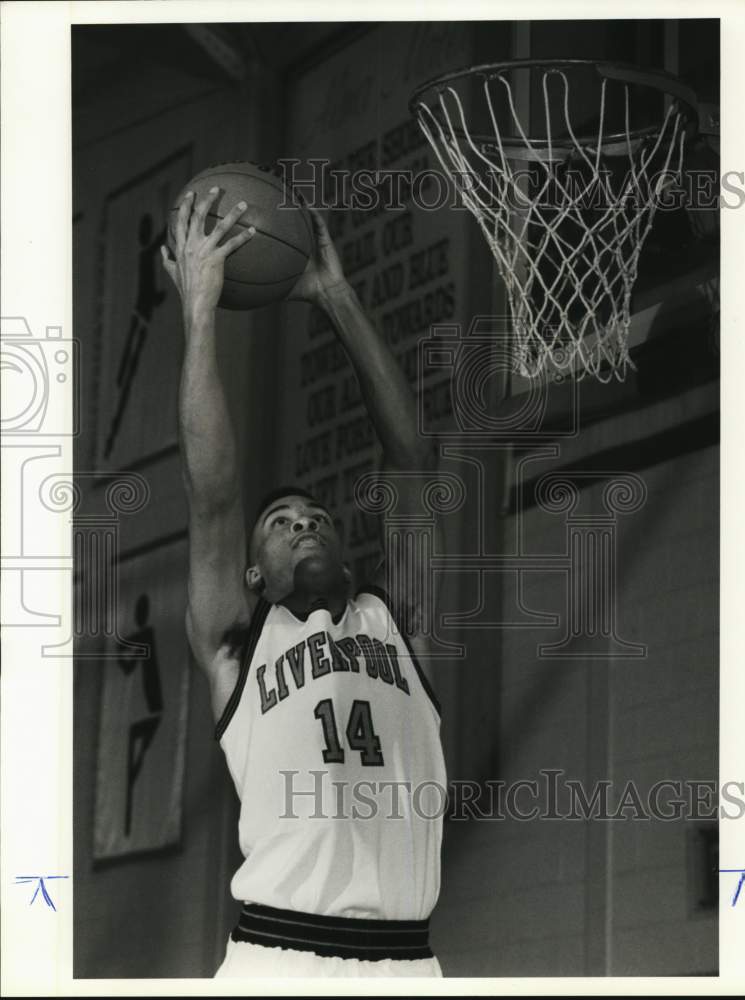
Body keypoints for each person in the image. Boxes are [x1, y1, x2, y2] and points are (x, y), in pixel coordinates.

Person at [161, 186, 447, 978]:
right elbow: (212, 493)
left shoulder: (400, 622)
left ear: (350, 559)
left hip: (406, 965)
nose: (303, 521)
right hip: (276, 960)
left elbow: (413, 465)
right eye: (280, 521)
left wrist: (336, 294)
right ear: (253, 573)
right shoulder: (236, 645)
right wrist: (199, 315)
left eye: (315, 514)